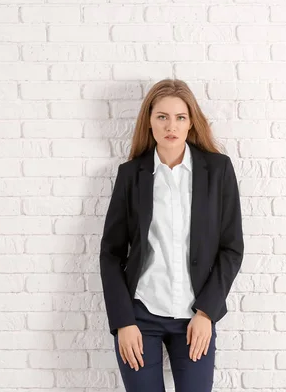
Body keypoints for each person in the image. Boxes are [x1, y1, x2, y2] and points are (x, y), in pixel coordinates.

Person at [99, 78, 244, 391]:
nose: (171, 126)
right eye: (162, 116)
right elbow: (111, 253)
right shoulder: (131, 175)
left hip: (195, 318)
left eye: (180, 117)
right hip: (140, 315)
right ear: (149, 121)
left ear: (191, 122)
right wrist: (123, 321)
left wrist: (207, 313)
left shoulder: (217, 170)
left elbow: (231, 248)